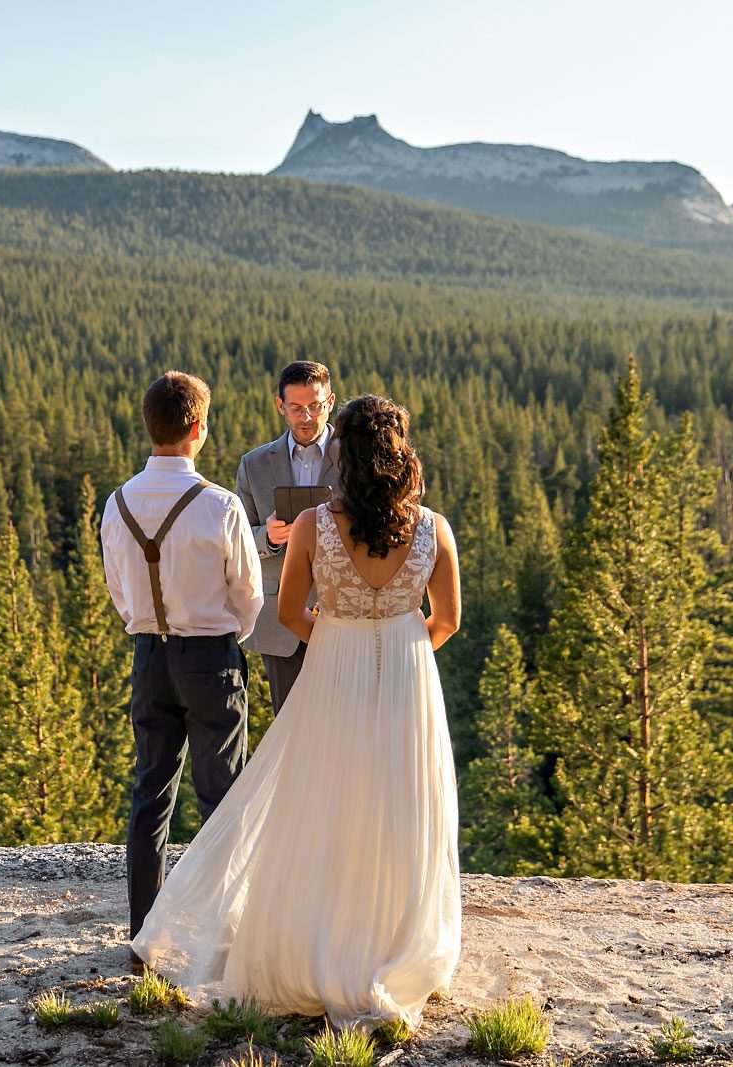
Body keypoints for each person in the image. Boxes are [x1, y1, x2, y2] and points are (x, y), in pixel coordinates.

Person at [132, 394, 462, 1030]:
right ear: (402, 457)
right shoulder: (435, 529)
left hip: (331, 670)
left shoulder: (313, 526)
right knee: (400, 804)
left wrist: (341, 636)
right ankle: (394, 941)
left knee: (324, 802)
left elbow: (287, 616)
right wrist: (398, 643)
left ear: (343, 454)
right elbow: (445, 620)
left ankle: (320, 938)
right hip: (407, 675)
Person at [101, 371, 264, 967]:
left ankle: (143, 934)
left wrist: (153, 627)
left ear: (152, 427)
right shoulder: (220, 505)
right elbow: (248, 595)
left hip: (149, 657)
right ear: (198, 429)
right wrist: (225, 640)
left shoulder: (117, 504)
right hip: (209, 659)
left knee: (151, 793)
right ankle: (224, 933)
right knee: (221, 796)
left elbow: (120, 592)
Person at [235, 361, 340, 716]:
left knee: (345, 727)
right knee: (290, 729)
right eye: (296, 408)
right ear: (280, 406)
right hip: (281, 623)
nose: (306, 416)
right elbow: (237, 540)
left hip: (345, 615)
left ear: (330, 402)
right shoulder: (253, 465)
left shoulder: (357, 458)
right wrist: (269, 536)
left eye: (315, 406)